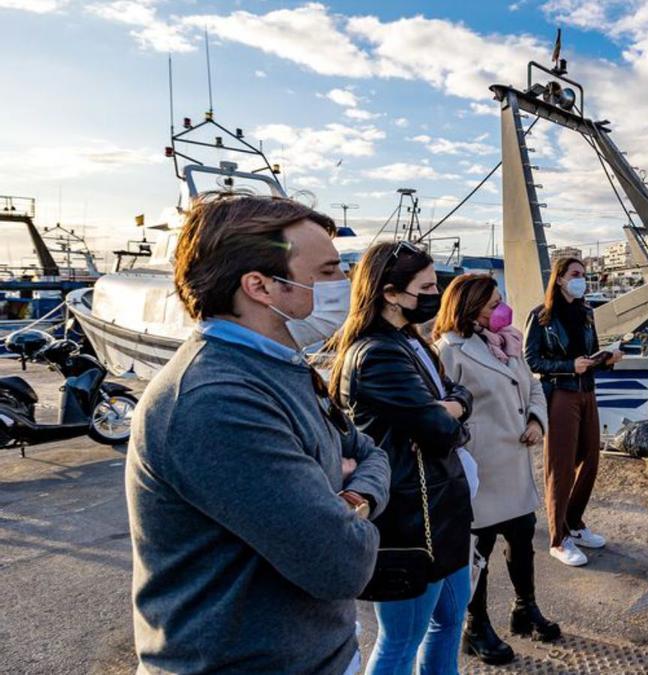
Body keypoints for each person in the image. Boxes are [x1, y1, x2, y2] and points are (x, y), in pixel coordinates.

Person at [126, 193, 390, 674]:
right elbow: (340, 563)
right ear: (261, 286)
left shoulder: (282, 367)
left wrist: (349, 501)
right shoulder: (215, 398)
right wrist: (343, 502)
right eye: (329, 272)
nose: (347, 284)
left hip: (318, 654)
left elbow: (370, 454)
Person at [330, 241, 475, 675]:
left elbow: (456, 394)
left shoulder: (410, 342)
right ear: (391, 293)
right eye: (427, 285)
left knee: (448, 621)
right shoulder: (377, 354)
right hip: (410, 521)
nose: (436, 293)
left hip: (441, 513)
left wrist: (453, 405)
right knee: (400, 640)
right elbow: (440, 428)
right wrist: (454, 411)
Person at [433, 274, 562, 666]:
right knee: (479, 551)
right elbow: (439, 412)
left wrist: (538, 421)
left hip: (515, 464)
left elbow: (533, 387)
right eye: (493, 305)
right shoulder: (448, 351)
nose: (501, 310)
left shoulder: (509, 344)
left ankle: (526, 608)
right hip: (481, 469)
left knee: (522, 539)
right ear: (470, 308)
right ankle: (476, 626)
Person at [523, 256, 623, 567]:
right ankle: (558, 538)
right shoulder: (541, 316)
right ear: (561, 279)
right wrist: (569, 367)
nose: (582, 278)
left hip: (587, 392)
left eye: (584, 273)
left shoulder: (586, 313)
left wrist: (606, 359)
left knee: (590, 460)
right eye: (576, 274)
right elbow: (532, 361)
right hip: (562, 395)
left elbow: (588, 354)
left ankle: (574, 522)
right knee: (561, 465)